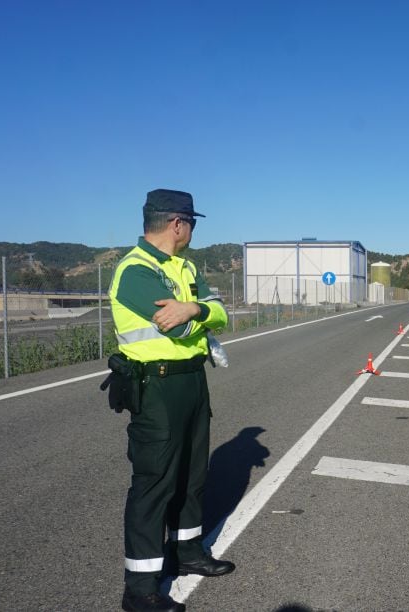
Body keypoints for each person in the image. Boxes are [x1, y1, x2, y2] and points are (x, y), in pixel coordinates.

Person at [109, 189, 233, 612]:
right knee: (154, 483)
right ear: (177, 223)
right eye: (192, 222)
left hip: (192, 381)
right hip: (156, 386)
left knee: (191, 475)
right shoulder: (135, 270)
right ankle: (140, 589)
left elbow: (219, 313)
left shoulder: (185, 267)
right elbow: (175, 330)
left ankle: (189, 552)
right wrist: (197, 314)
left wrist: (194, 308)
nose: (193, 230)